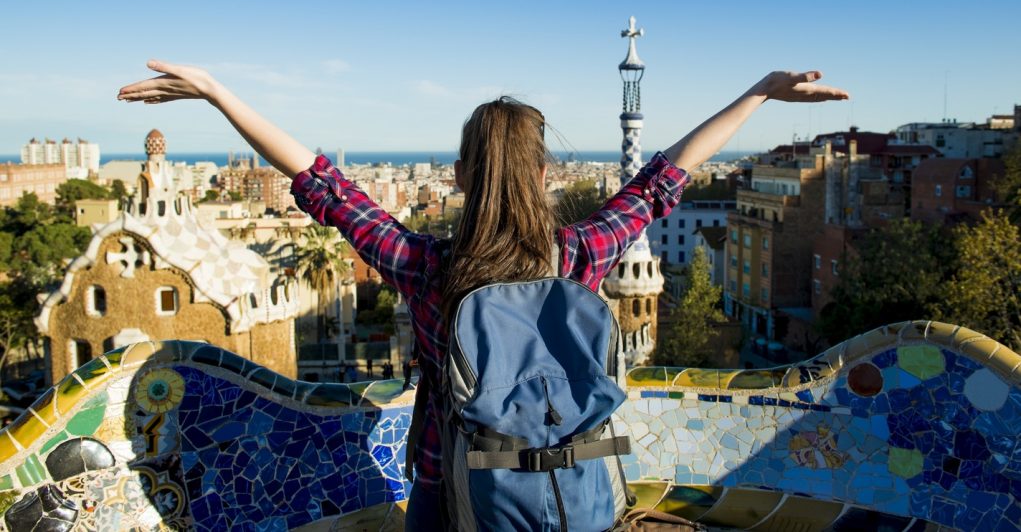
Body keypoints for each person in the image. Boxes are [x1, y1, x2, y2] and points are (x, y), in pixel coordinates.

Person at [118, 61, 848, 529]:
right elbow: (664, 180)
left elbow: (324, 187)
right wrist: (757, 90)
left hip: (451, 482)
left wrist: (219, 94)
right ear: (542, 177)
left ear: (463, 177)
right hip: (576, 481)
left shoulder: (425, 267)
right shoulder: (579, 255)